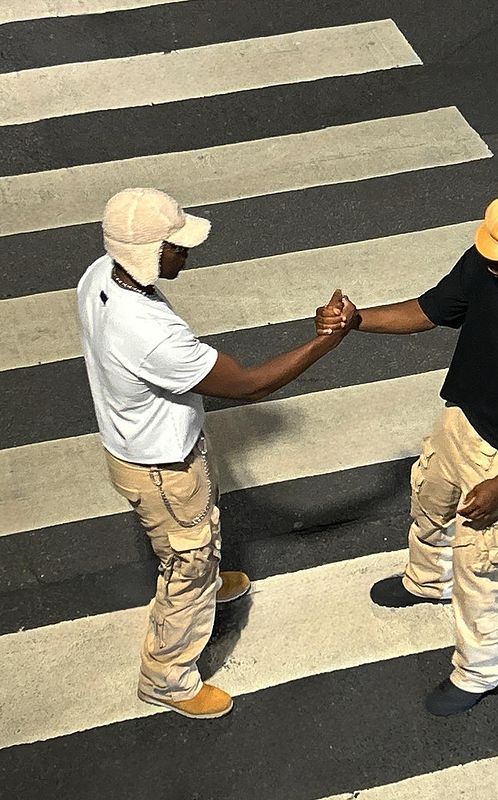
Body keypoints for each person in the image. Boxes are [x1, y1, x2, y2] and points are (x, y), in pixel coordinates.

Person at [316, 190, 498, 716]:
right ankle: (426, 581)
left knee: (482, 564)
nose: (490, 268)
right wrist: (357, 321)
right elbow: (427, 311)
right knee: (428, 495)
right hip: (460, 416)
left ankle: (481, 669)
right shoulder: (488, 260)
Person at [78, 188, 352, 720]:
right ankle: (168, 678)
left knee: (196, 532)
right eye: (177, 246)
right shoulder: (150, 335)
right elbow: (248, 385)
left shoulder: (99, 274)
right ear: (147, 253)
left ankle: (205, 579)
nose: (188, 253)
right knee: (188, 562)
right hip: (161, 467)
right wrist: (324, 340)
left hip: (148, 448)